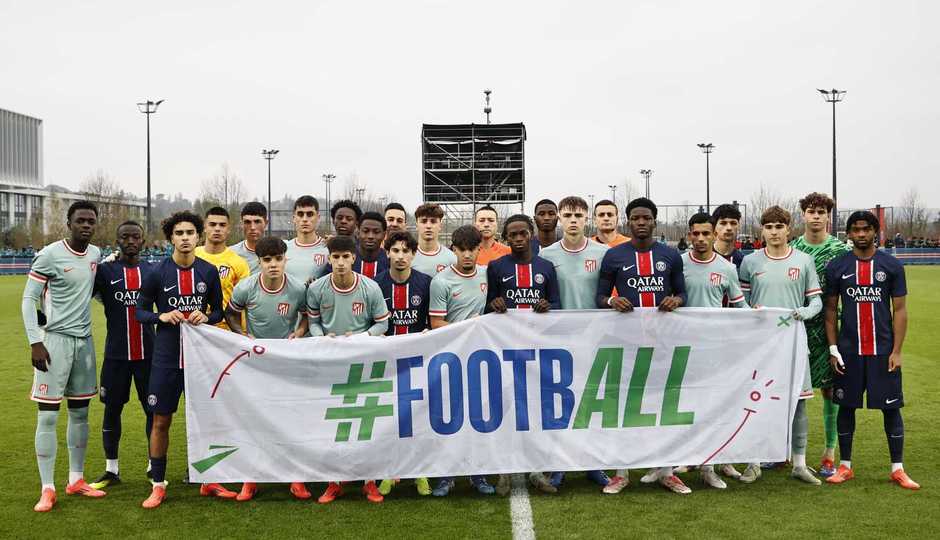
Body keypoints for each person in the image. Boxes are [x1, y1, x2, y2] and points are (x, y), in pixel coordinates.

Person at [595, 197, 688, 494]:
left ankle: (667, 470)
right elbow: (598, 298)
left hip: (663, 343)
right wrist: (611, 300)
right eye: (636, 218)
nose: (641, 222)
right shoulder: (614, 256)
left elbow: (683, 293)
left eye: (646, 218)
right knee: (625, 406)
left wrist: (676, 300)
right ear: (628, 221)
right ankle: (621, 473)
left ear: (655, 221)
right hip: (626, 342)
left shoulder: (670, 256)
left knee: (663, 407)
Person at [136, 211, 228, 508]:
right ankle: (158, 484)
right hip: (165, 358)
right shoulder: (156, 272)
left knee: (207, 420)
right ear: (171, 238)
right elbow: (140, 311)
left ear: (198, 236)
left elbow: (219, 311)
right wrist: (160, 315)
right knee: (161, 420)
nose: (185, 238)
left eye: (190, 233)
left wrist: (208, 315)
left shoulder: (208, 271)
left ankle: (208, 480)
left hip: (200, 360)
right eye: (179, 233)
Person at [824, 211, 919, 490]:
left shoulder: (890, 265)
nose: (861, 234)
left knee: (891, 409)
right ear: (849, 233)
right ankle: (845, 466)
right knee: (846, 406)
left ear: (875, 231)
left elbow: (899, 310)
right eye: (855, 230)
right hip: (849, 352)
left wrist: (897, 351)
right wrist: (833, 349)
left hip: (882, 352)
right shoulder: (837, 266)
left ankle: (898, 469)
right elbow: (830, 311)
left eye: (866, 229)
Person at [24, 201, 105, 512]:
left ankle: (76, 479)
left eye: (90, 221)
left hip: (84, 343)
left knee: (81, 413)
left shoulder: (96, 254)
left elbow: (95, 291)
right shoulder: (49, 255)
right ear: (69, 223)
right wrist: (35, 342)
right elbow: (28, 299)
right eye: (80, 220)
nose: (86, 225)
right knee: (47, 415)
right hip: (53, 342)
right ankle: (47, 488)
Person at [738, 206, 822, 486]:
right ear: (762, 230)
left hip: (794, 343)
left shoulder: (804, 260)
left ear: (789, 229)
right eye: (769, 227)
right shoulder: (750, 262)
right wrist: (753, 310)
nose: (774, 232)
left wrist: (805, 312)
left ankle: (799, 464)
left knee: (798, 404)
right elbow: (742, 303)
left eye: (779, 227)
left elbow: (817, 302)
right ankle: (753, 462)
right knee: (755, 402)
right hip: (759, 346)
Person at [224, 236, 312, 501]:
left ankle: (295, 478)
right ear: (259, 262)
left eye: (278, 259)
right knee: (254, 420)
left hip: (286, 363)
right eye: (267, 260)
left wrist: (298, 331)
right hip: (255, 364)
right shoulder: (246, 287)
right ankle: (251, 479)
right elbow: (230, 313)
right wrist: (242, 335)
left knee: (291, 420)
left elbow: (307, 315)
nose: (273, 265)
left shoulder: (297, 289)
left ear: (286, 260)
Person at [307, 235, 390, 504]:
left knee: (365, 421)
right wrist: (323, 338)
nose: (340, 262)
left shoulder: (370, 287)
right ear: (328, 259)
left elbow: (382, 325)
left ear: (353, 258)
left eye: (345, 257)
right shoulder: (318, 288)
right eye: (335, 257)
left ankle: (369, 482)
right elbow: (314, 322)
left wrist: (360, 339)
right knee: (334, 423)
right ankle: (334, 482)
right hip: (331, 363)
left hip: (363, 362)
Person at [539, 196, 612, 492]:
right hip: (557, 339)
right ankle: (559, 465)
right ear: (559, 217)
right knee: (560, 403)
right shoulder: (546, 254)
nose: (572, 220)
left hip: (594, 339)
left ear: (587, 219)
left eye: (578, 215)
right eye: (567, 214)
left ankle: (593, 464)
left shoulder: (604, 253)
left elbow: (608, 294)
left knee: (591, 404)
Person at [487, 214, 560, 495]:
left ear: (530, 234)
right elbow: (487, 308)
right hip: (505, 351)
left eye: (522, 233)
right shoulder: (496, 266)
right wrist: (494, 303)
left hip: (538, 350)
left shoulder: (546, 267)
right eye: (512, 235)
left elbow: (558, 303)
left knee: (535, 412)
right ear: (506, 238)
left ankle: (536, 471)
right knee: (506, 411)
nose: (518, 239)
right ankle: (505, 472)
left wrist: (548, 305)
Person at [427, 225, 495, 496]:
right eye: (462, 250)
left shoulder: (487, 275)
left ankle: (478, 473)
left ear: (480, 249)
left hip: (480, 358)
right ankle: (446, 476)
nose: (467, 255)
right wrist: (469, 327)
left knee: (478, 417)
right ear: (453, 249)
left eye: (472, 249)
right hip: (451, 357)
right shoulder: (441, 281)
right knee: (450, 418)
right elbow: (435, 323)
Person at [681, 213, 747, 489]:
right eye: (695, 234)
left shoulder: (726, 268)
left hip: (712, 349)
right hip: (678, 347)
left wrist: (763, 318)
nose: (700, 239)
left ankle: (708, 466)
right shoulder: (678, 263)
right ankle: (674, 461)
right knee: (680, 407)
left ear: (713, 235)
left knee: (709, 407)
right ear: (689, 235)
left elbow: (740, 306)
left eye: (705, 234)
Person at [88, 221, 155, 491]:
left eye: (135, 237)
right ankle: (111, 469)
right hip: (116, 355)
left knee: (153, 410)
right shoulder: (105, 271)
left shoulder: (152, 271)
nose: (130, 241)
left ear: (143, 240)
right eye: (124, 237)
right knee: (112, 409)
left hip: (148, 354)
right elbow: (84, 290)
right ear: (117, 240)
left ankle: (154, 465)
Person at [789, 192, 851, 477]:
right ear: (803, 215)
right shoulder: (792, 248)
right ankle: (786, 451)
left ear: (828, 216)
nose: (816, 216)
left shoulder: (840, 251)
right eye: (811, 211)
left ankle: (829, 452)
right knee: (790, 390)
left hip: (828, 328)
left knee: (829, 389)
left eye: (821, 212)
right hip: (796, 327)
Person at [373, 231, 433, 496]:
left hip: (417, 362)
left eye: (405, 251)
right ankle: (389, 472)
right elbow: (371, 324)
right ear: (387, 254)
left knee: (417, 418)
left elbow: (432, 323)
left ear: (413, 254)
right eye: (395, 251)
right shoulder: (375, 284)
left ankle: (421, 473)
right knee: (388, 418)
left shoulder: (426, 283)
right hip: (385, 363)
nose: (400, 256)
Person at [195, 207, 250, 331]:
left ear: (228, 229)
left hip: (226, 330)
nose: (217, 229)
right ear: (205, 227)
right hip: (195, 327)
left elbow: (245, 303)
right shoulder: (192, 256)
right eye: (212, 224)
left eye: (222, 225)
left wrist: (244, 331)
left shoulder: (239, 263)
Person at [284, 195, 330, 283]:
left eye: (310, 214)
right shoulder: (284, 248)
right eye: (300, 214)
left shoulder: (328, 248)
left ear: (318, 218)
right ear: (294, 218)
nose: (305, 219)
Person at [412, 203, 456, 275]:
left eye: (433, 221)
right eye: (424, 221)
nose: (428, 226)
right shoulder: (407, 256)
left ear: (440, 225)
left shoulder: (451, 259)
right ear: (417, 225)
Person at [230, 202, 268, 275]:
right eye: (247, 222)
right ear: (241, 224)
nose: (252, 227)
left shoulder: (279, 251)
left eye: (257, 222)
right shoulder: (231, 253)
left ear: (266, 223)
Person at [354, 211, 389, 278]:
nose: (370, 236)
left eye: (376, 232)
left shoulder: (390, 262)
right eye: (365, 231)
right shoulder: (345, 258)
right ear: (358, 233)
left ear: (384, 235)